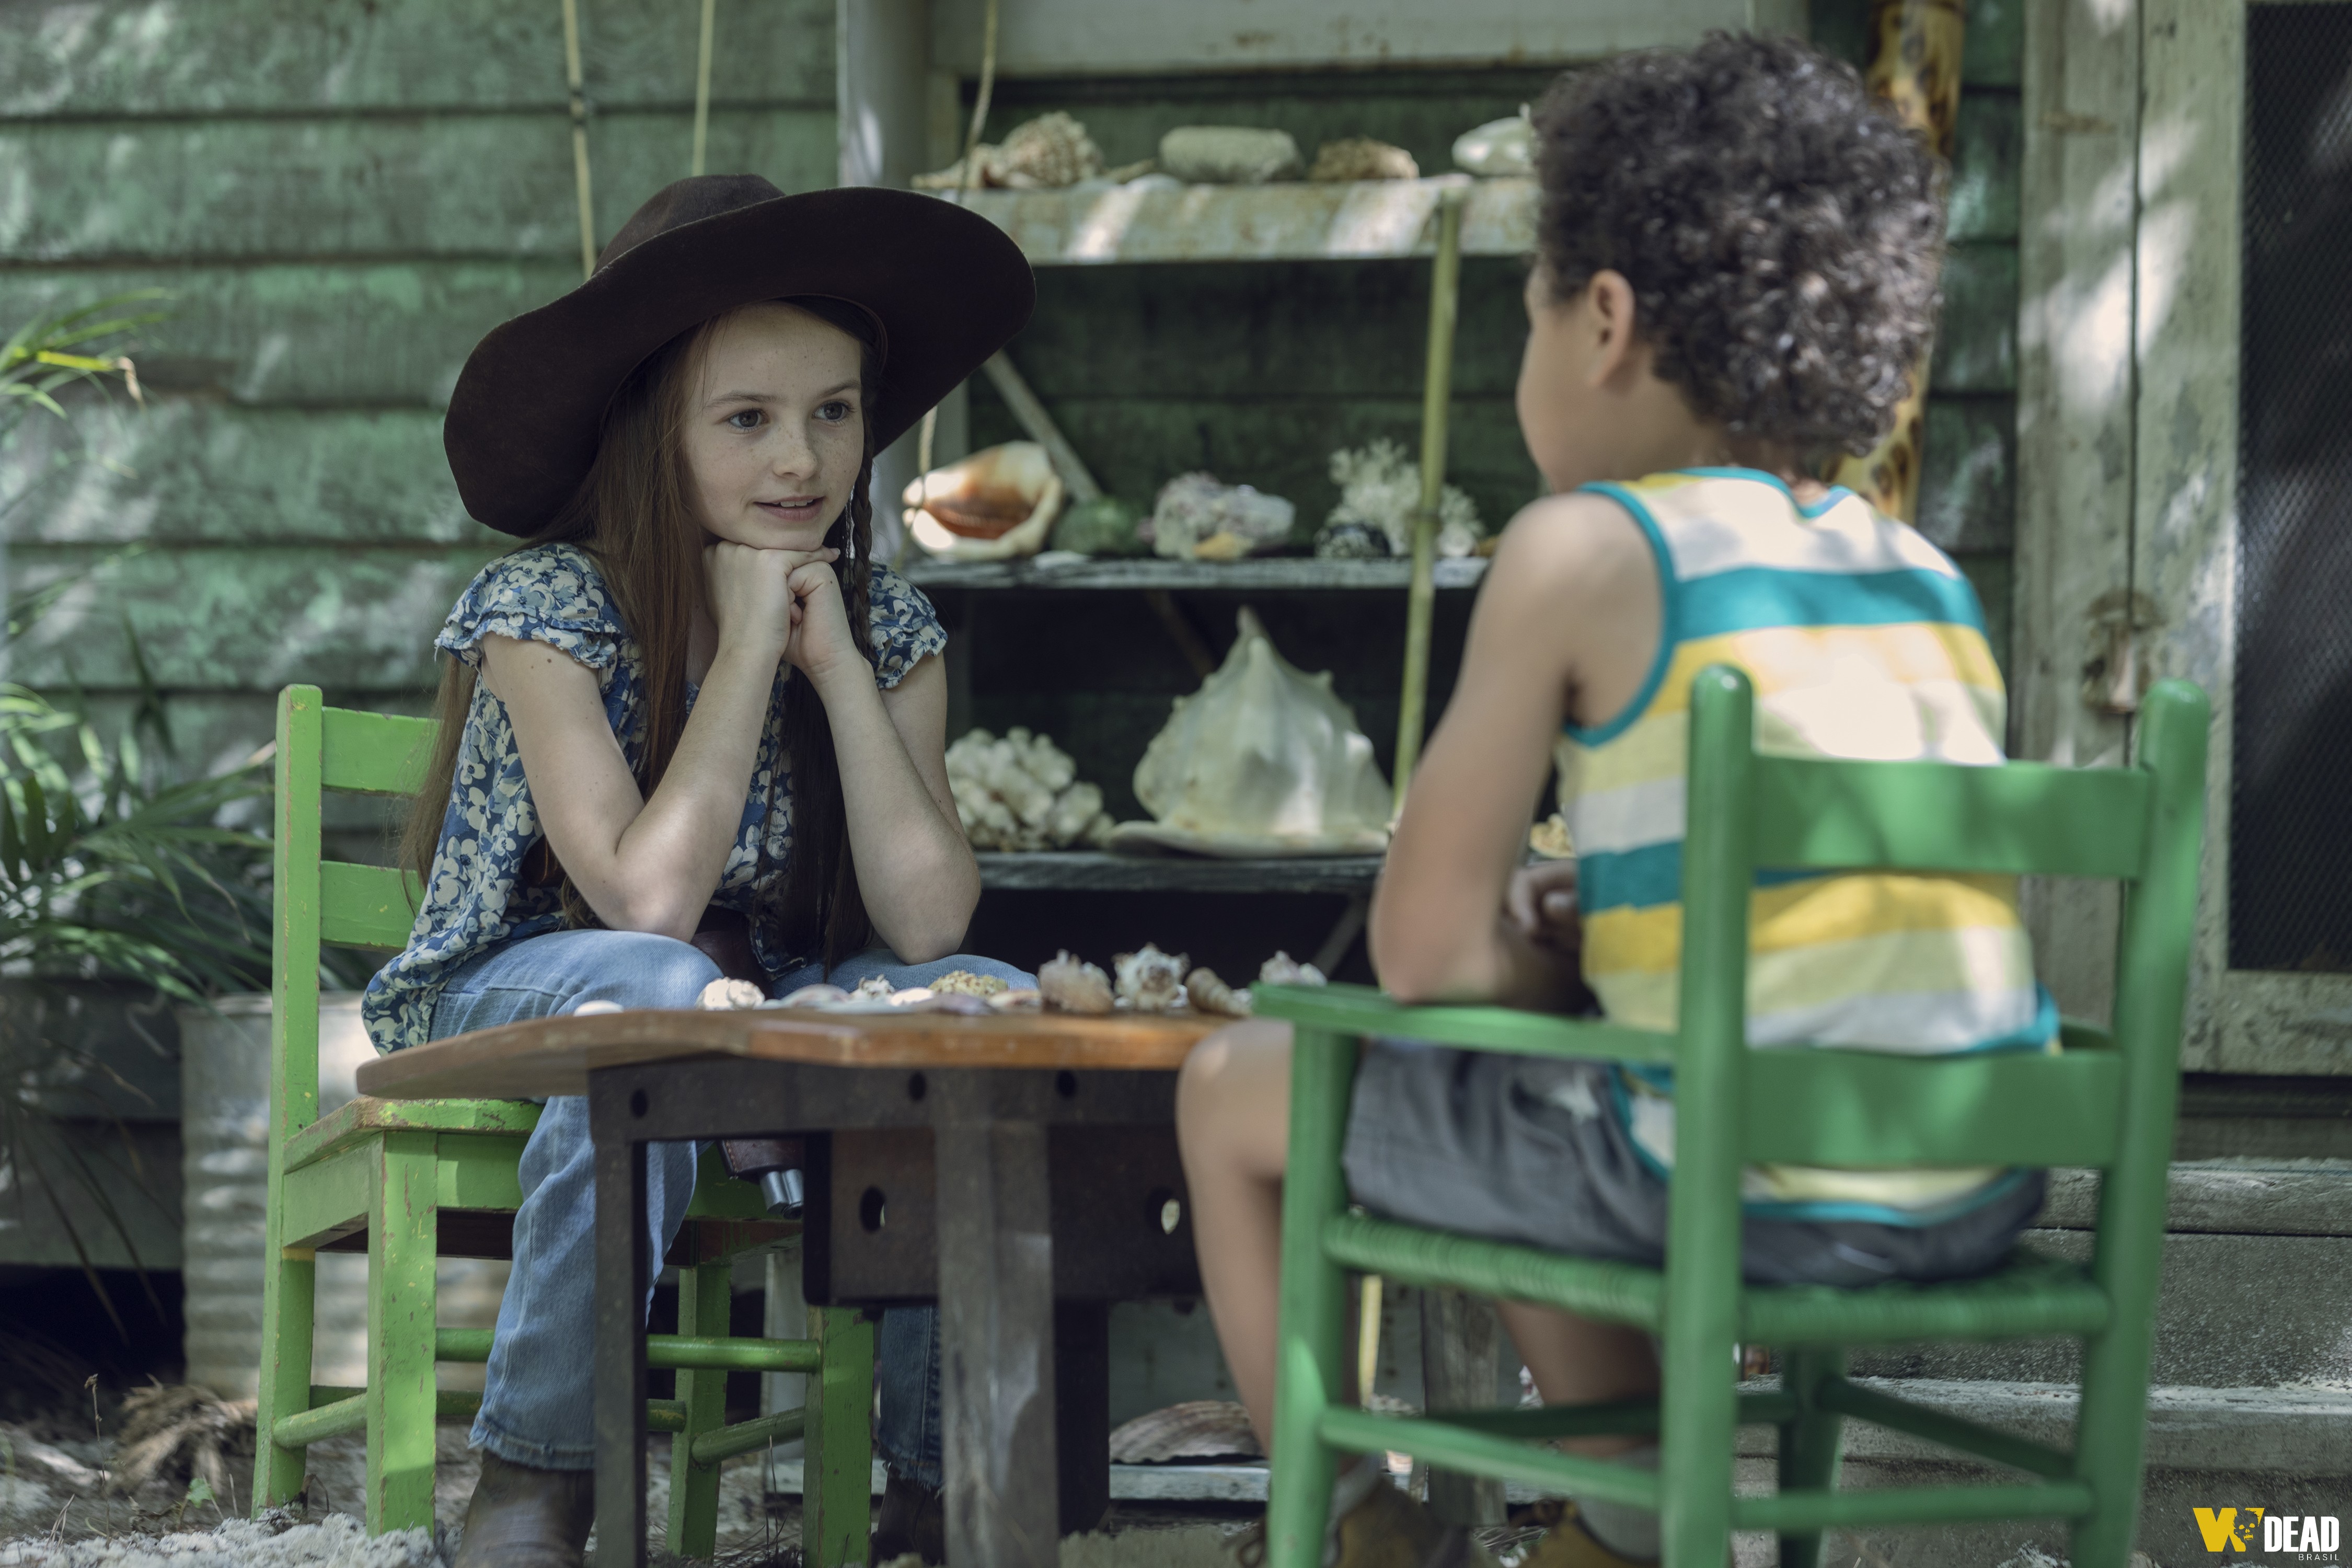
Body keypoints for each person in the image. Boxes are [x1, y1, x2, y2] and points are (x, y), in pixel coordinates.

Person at [1177, 33, 2053, 1568]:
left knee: (1241, 1083)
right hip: (1972, 1180)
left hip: (1741, 1183)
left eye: (1525, 313)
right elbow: (1851, 924)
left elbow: (1424, 959)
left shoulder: (1581, 550)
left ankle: (1358, 1526)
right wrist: (1628, 933)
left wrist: (1536, 965)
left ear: (1602, 320)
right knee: (1561, 1089)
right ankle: (1615, 1533)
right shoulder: (1919, 573)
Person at [364, 175, 1031, 1566]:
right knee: (657, 992)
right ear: (651, 433)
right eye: (746, 419)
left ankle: (934, 1493)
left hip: (760, 991)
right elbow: (647, 902)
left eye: (833, 411)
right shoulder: (547, 608)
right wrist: (745, 650)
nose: (801, 459)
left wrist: (836, 668)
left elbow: (926, 920)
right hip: (524, 981)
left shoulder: (888, 623)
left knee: (981, 999)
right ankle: (537, 1482)